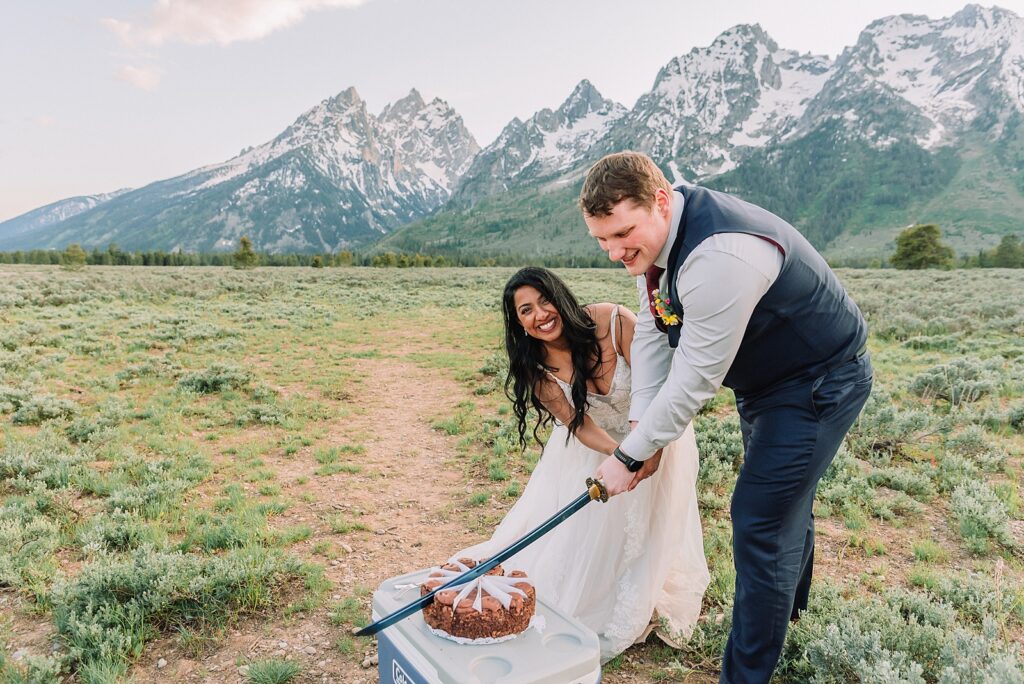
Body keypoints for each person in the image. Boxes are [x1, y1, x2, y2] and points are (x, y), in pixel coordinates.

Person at [580, 152, 872, 683]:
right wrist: (642, 426)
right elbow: (652, 326)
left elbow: (693, 380)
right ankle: (791, 614)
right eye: (602, 240)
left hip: (816, 384)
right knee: (783, 503)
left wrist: (629, 455)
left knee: (760, 519)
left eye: (623, 234)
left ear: (660, 201)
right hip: (767, 382)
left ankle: (744, 676)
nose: (614, 252)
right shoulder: (665, 240)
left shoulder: (721, 256)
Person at [458, 266, 709, 662]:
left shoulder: (612, 321)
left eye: (544, 301)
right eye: (526, 311)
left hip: (659, 430)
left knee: (654, 522)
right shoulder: (535, 366)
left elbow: (654, 387)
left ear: (561, 297)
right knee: (590, 540)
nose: (540, 315)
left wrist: (646, 449)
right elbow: (578, 423)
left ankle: (644, 594)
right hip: (599, 447)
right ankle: (611, 595)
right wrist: (620, 457)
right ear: (518, 323)